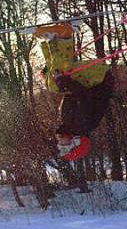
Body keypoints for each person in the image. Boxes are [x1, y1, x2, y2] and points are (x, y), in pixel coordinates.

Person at [34, 22, 114, 162]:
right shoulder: (84, 123)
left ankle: (49, 39)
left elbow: (71, 94)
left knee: (52, 81)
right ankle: (64, 35)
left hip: (91, 80)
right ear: (76, 142)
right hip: (100, 77)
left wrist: (51, 74)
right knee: (56, 81)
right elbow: (84, 95)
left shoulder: (69, 124)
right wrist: (64, 81)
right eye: (64, 146)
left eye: (61, 146)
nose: (60, 143)